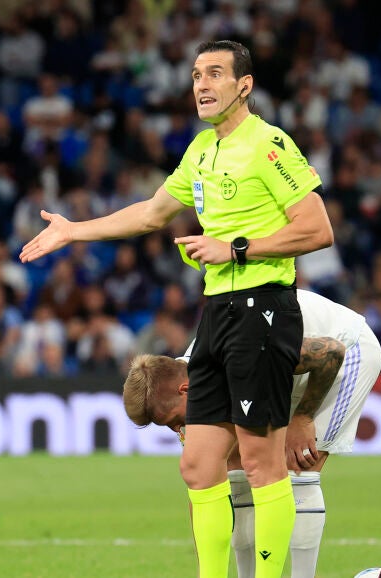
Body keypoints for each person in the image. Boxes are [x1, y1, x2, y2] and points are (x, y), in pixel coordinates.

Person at [21, 40, 333, 577]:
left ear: (244, 85)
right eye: (195, 75)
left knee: (261, 464)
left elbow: (317, 228)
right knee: (198, 464)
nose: (202, 85)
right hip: (217, 313)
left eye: (215, 74)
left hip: (263, 307)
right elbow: (151, 213)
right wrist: (75, 231)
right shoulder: (202, 150)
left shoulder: (269, 144)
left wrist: (236, 248)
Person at [122, 290, 381, 578]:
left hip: (345, 351)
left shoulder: (242, 352)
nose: (177, 429)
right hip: (283, 371)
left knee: (299, 465)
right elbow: (203, 487)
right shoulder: (190, 384)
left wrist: (304, 417)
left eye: (173, 421)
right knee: (236, 472)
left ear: (186, 391)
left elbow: (331, 352)